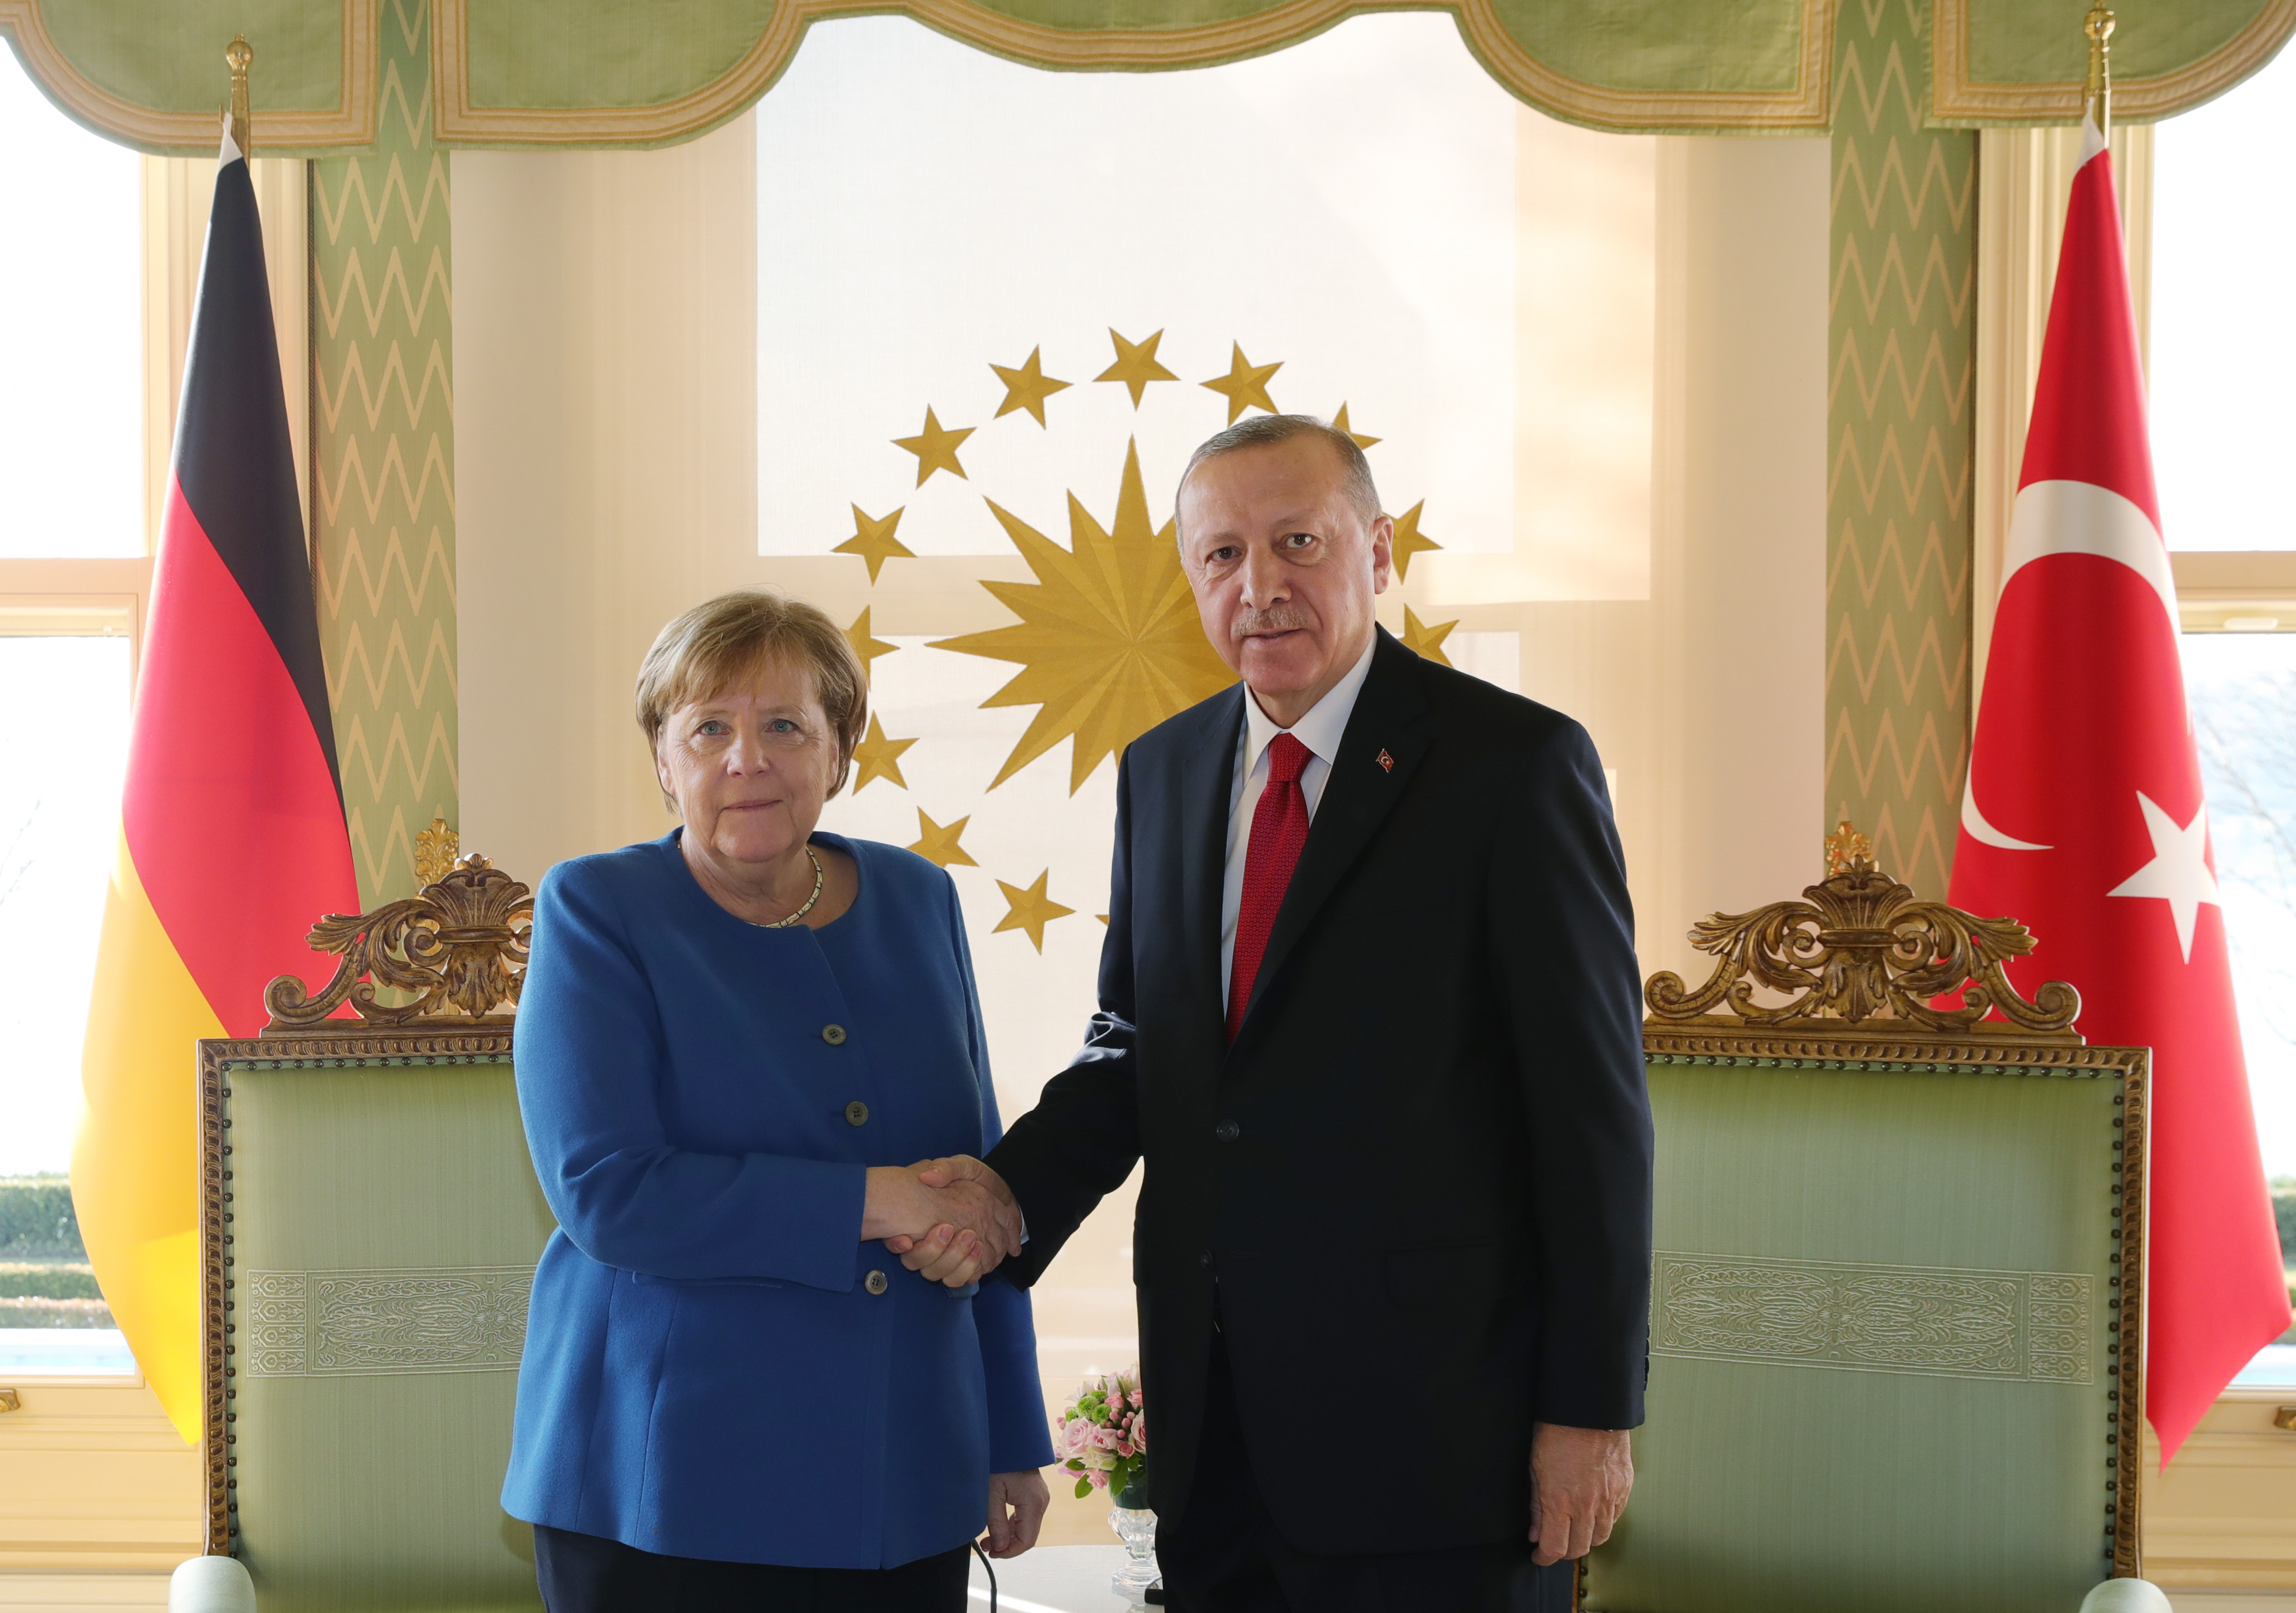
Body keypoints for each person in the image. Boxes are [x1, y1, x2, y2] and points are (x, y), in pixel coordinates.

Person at [899, 417, 1653, 1612]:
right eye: (1222, 555)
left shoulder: (1516, 765)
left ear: (1379, 549)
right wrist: (1004, 1195)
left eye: (1297, 541)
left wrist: (1591, 1407)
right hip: (1218, 1439)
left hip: (1441, 1446)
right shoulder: (1164, 770)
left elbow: (1594, 1118)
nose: (1261, 587)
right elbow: (1142, 1044)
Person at [501, 591, 1052, 1613]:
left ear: (839, 752)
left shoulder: (919, 896)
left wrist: (1009, 1433)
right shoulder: (597, 908)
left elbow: (977, 1184)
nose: (745, 758)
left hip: (905, 1472)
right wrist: (880, 1201)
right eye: (708, 727)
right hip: (666, 1484)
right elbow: (610, 1194)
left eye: (784, 726)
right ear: (665, 764)